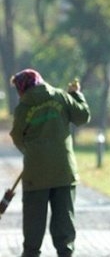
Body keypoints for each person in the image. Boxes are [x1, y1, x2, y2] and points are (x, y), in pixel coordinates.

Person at [10, 69, 91, 257]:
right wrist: (76, 95)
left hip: (35, 174)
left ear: (23, 88)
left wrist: (32, 152)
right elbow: (82, 116)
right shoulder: (61, 97)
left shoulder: (23, 108)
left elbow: (16, 136)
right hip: (63, 171)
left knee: (33, 229)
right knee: (64, 229)